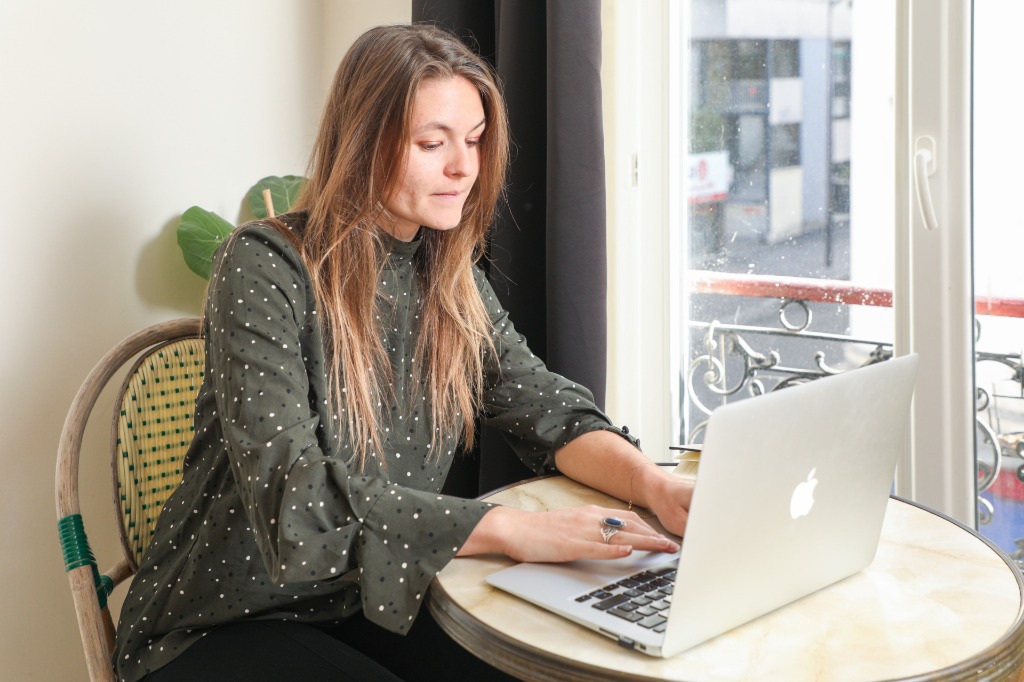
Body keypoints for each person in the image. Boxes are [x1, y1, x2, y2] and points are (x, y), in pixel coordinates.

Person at [113, 23, 693, 682]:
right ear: (363, 143)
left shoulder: (446, 277)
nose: (463, 168)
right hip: (220, 619)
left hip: (363, 593)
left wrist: (658, 486)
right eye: (432, 143)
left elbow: (548, 410)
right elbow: (299, 502)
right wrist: (507, 527)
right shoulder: (264, 265)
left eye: (474, 141)